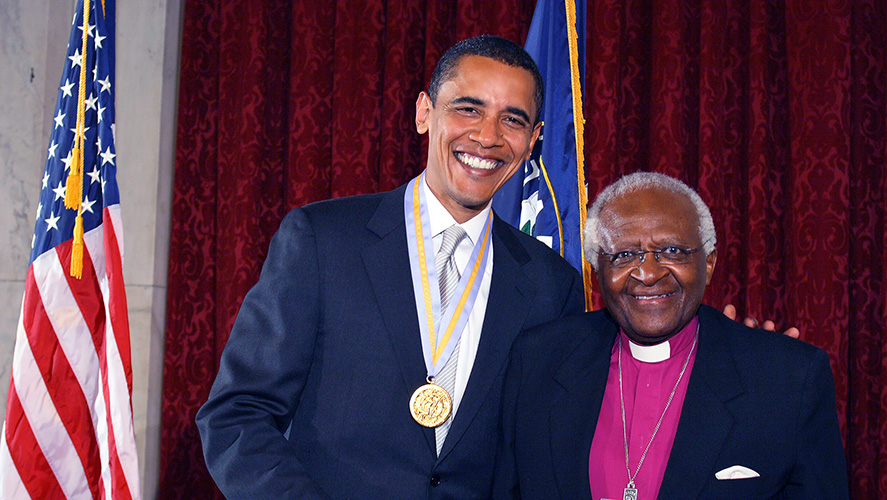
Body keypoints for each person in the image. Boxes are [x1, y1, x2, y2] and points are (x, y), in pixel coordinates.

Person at [195, 35, 584, 499]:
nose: (487, 136)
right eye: (468, 108)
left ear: (533, 139)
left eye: (512, 119)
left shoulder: (551, 284)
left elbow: (544, 456)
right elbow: (237, 414)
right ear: (424, 112)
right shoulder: (322, 240)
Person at [493, 172, 848, 500]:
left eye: (672, 251)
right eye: (624, 254)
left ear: (707, 264)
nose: (648, 273)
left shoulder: (788, 379)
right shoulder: (538, 361)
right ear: (597, 269)